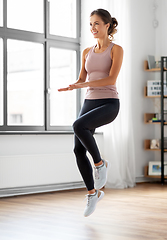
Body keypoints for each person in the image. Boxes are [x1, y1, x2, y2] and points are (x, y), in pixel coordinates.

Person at [58, 8, 123, 217]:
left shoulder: (116, 49)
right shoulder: (87, 51)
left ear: (107, 25)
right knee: (78, 150)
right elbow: (82, 79)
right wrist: (73, 85)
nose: (92, 28)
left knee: (78, 125)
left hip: (109, 102)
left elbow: (111, 79)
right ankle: (92, 193)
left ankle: (100, 164)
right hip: (89, 101)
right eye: (90, 24)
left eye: (96, 23)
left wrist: (83, 84)